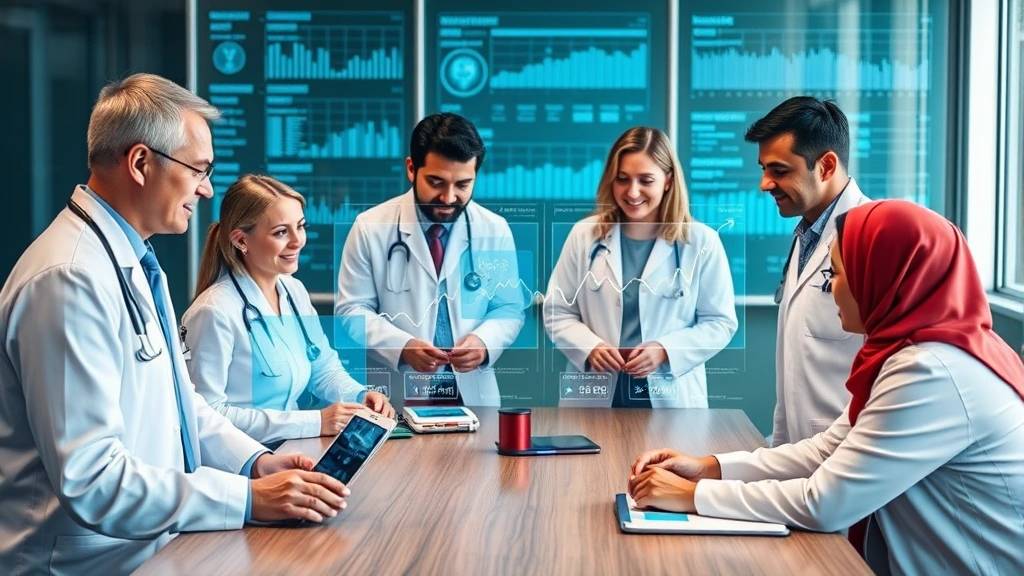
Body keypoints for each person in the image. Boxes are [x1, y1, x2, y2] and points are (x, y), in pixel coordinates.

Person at [0, 74, 348, 575]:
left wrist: (254, 463)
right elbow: (92, 479)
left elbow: (183, 407)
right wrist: (247, 497)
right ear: (141, 163)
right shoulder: (70, 278)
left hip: (150, 547)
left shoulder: (130, 262)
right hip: (85, 562)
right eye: (198, 170)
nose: (206, 189)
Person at [628, 200, 1024, 575]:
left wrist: (688, 497)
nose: (830, 287)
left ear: (883, 277)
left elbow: (825, 503)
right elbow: (826, 448)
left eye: (836, 273)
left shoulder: (933, 371)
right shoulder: (916, 351)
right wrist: (708, 469)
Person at [182, 175, 395, 447]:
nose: (298, 241)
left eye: (300, 227)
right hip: (239, 465)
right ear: (240, 240)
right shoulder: (214, 311)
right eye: (281, 232)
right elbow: (207, 415)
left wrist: (360, 396)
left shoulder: (294, 292)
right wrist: (315, 422)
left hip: (291, 449)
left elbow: (323, 368)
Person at [335, 113, 526, 407]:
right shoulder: (370, 227)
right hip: (398, 394)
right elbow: (350, 310)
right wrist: (401, 346)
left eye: (463, 184)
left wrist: (484, 343)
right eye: (436, 182)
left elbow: (509, 308)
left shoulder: (493, 229)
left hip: (473, 394)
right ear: (412, 169)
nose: (449, 197)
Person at [544, 127, 738, 407]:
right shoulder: (584, 234)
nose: (632, 192)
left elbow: (720, 322)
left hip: (669, 390)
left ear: (668, 181)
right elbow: (556, 311)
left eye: (645, 180)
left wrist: (665, 350)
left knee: (669, 452)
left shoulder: (701, 241)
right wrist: (589, 347)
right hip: (596, 388)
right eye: (622, 179)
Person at [745, 96, 870, 445]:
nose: (765, 184)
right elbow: (793, 366)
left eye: (779, 170)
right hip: (802, 453)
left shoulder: (872, 243)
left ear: (826, 166)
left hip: (852, 451)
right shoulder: (806, 234)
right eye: (763, 169)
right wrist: (778, 449)